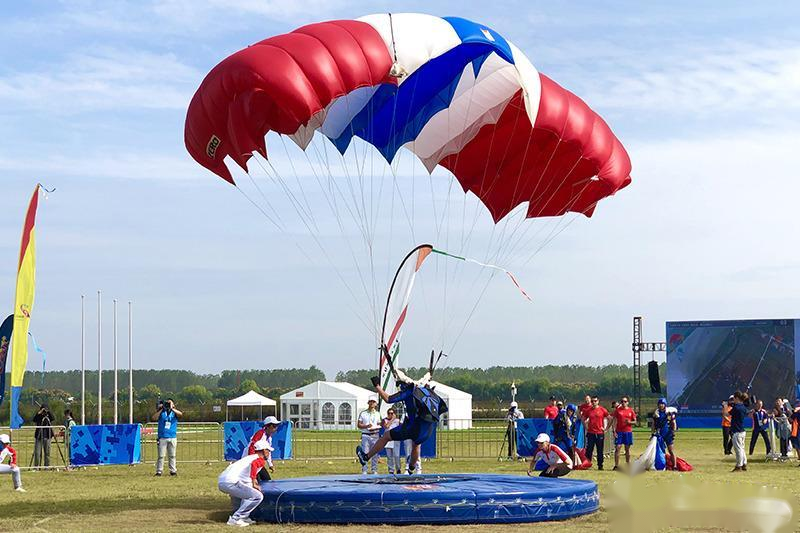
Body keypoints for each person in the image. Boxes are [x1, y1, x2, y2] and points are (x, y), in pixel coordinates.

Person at [357, 371, 445, 474]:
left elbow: (388, 399)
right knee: (416, 444)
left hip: (414, 427)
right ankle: (412, 468)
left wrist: (377, 386)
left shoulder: (408, 391)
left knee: (386, 436)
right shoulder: (426, 390)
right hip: (428, 428)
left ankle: (365, 457)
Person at [218, 439, 271, 527]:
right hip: (231, 482)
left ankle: (242, 517)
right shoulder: (259, 459)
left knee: (244, 494)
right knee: (257, 496)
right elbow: (254, 465)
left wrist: (253, 482)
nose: (269, 453)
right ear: (264, 450)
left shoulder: (248, 458)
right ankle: (236, 518)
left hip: (223, 481)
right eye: (268, 450)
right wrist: (254, 481)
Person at [242, 416, 280, 481]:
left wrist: (270, 464)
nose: (276, 428)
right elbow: (252, 446)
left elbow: (268, 452)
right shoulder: (260, 434)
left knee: (267, 479)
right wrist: (252, 460)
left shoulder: (269, 438)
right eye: (274, 426)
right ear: (268, 426)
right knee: (257, 480)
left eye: (276, 426)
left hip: (257, 461)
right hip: (250, 461)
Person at [152, 398, 182, 476]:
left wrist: (172, 408)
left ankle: (173, 470)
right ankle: (159, 471)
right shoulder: (162, 412)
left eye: (170, 403)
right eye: (167, 403)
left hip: (172, 436)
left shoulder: (174, 413)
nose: (168, 405)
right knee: (161, 455)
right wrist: (161, 409)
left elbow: (181, 414)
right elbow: (154, 418)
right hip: (162, 436)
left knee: (172, 455)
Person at [357, 398, 381, 474]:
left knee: (375, 453)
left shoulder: (378, 413)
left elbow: (380, 424)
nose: (372, 403)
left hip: (375, 434)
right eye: (370, 402)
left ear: (376, 404)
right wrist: (366, 426)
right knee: (365, 452)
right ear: (368, 403)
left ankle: (374, 469)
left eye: (373, 402)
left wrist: (377, 427)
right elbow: (359, 424)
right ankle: (364, 470)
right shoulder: (363, 413)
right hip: (366, 435)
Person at [584, 396, 609, 470]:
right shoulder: (589, 410)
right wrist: (586, 427)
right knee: (589, 449)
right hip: (591, 432)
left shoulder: (602, 409)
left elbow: (610, 418)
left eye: (595, 401)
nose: (594, 403)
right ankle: (588, 464)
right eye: (592, 401)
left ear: (598, 401)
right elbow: (583, 418)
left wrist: (606, 428)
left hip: (599, 433)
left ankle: (600, 465)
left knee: (600, 450)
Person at [613, 396, 637, 470]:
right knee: (618, 448)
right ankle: (616, 465)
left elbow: (635, 421)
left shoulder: (630, 411)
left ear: (628, 402)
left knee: (627, 449)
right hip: (619, 432)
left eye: (625, 401)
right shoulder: (618, 410)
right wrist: (614, 431)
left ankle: (628, 463)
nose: (623, 403)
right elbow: (614, 420)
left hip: (627, 432)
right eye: (622, 401)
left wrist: (630, 422)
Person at [729, 391, 748, 472]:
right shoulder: (743, 407)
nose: (733, 400)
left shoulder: (736, 408)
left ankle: (739, 466)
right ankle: (744, 464)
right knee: (742, 448)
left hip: (737, 431)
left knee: (738, 450)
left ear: (737, 398)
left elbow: (728, 413)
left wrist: (726, 406)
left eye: (734, 399)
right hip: (742, 430)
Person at [383, 408, 402, 474]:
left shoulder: (398, 421)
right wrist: (392, 419)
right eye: (389, 413)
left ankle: (398, 469)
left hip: (395, 439)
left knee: (396, 455)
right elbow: (386, 426)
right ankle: (391, 470)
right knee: (389, 456)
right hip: (388, 440)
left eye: (392, 413)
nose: (390, 415)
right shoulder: (385, 420)